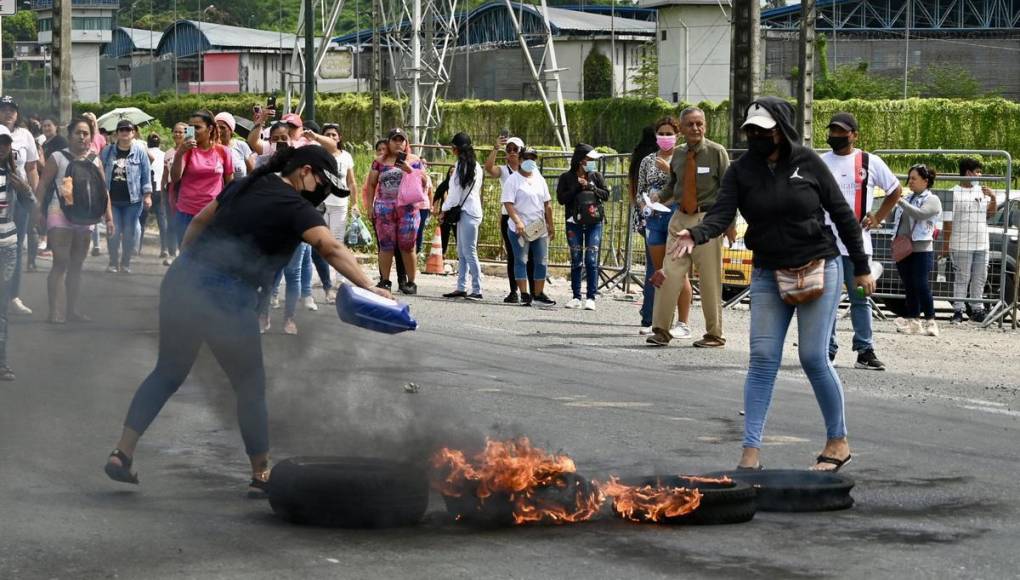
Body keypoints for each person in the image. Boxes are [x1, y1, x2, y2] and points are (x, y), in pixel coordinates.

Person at [103, 145, 388, 497]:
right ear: (305, 171)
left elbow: (199, 222)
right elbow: (330, 248)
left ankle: (122, 452)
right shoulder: (294, 207)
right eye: (322, 184)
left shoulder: (246, 184)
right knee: (250, 386)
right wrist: (370, 286)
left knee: (167, 372)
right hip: (227, 295)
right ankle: (260, 474)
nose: (323, 193)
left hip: (182, 281)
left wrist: (190, 266)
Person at [670, 98, 874, 472]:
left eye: (764, 130)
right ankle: (750, 452)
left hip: (818, 266)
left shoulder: (808, 162)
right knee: (763, 360)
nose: (757, 136)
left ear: (782, 129)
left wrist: (860, 267)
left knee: (814, 357)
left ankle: (838, 441)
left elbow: (843, 215)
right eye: (751, 130)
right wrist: (695, 233)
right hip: (767, 272)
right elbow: (720, 214)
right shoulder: (742, 170)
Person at [820, 112, 903, 370]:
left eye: (841, 131)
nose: (836, 135)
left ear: (854, 134)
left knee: (861, 297)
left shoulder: (869, 161)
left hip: (857, 244)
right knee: (828, 300)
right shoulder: (821, 162)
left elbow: (895, 190)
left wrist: (878, 217)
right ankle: (827, 350)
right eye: (833, 131)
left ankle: (865, 350)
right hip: (828, 243)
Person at [646, 109, 731, 348]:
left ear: (705, 126)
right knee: (668, 273)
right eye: (690, 124)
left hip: (707, 221)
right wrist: (657, 199)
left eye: (699, 124)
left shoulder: (717, 153)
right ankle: (661, 329)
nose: (695, 128)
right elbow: (674, 184)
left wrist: (730, 224)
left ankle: (714, 334)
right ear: (681, 129)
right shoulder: (680, 154)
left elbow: (728, 190)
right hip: (680, 219)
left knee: (709, 280)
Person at [36, 118, 114, 324]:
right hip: (58, 213)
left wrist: (109, 218)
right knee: (60, 262)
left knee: (77, 265)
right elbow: (43, 185)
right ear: (69, 135)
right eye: (78, 132)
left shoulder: (95, 160)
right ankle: (55, 312)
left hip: (85, 217)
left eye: (86, 133)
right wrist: (37, 211)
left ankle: (72, 311)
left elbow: (103, 191)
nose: (82, 137)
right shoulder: (57, 157)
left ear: (91, 136)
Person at [635, 117, 688, 336]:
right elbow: (640, 189)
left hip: (676, 216)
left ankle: (683, 322)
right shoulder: (647, 160)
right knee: (659, 272)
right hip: (654, 218)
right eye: (662, 133)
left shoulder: (683, 157)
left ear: (678, 135)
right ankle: (658, 319)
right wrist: (643, 204)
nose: (665, 137)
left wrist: (669, 170)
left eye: (669, 133)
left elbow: (688, 187)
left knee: (678, 270)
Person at [364, 127, 428, 295]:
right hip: (384, 208)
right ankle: (385, 280)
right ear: (389, 142)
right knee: (386, 246)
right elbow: (371, 184)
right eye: (395, 140)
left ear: (406, 143)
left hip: (407, 209)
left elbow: (424, 182)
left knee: (407, 246)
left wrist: (409, 170)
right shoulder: (379, 161)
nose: (398, 143)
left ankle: (411, 282)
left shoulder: (414, 160)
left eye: (402, 140)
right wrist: (369, 206)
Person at [942, 157, 996, 324]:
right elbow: (947, 222)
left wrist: (993, 197)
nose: (979, 175)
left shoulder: (982, 191)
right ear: (967, 173)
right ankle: (958, 310)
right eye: (977, 172)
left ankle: (977, 309)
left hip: (982, 243)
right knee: (962, 277)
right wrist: (945, 245)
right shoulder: (953, 192)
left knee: (980, 277)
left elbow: (990, 215)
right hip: (961, 243)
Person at [891, 165, 943, 337]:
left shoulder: (933, 199)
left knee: (921, 284)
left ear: (925, 181)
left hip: (922, 248)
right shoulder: (908, 197)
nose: (910, 182)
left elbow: (920, 214)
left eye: (914, 178)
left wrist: (900, 201)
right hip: (904, 247)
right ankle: (913, 320)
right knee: (909, 285)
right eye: (909, 178)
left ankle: (931, 320)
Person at [0, 129, 35, 380]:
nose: (1, 147)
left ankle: (1, 363)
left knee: (1, 307)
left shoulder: (14, 177)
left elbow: (31, 205)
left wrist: (24, 188)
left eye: (5, 144)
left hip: (8, 247)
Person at [170, 110, 234, 247]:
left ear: (210, 128)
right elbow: (175, 178)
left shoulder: (223, 151)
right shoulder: (186, 151)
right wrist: (180, 153)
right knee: (186, 258)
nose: (193, 131)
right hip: (186, 213)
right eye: (190, 127)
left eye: (197, 127)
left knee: (208, 260)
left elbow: (230, 184)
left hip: (212, 213)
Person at [556, 144, 608, 310]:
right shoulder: (566, 177)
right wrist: (578, 187)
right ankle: (576, 296)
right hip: (573, 222)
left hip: (594, 222)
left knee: (591, 259)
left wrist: (591, 186)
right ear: (580, 160)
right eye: (589, 159)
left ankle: (591, 296)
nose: (591, 162)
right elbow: (561, 199)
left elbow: (606, 194)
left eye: (593, 159)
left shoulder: (596, 175)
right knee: (576, 259)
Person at [502, 147, 555, 307]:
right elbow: (508, 203)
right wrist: (517, 221)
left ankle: (538, 293)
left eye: (533, 158)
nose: (529, 161)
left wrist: (550, 224)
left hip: (538, 227)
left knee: (541, 260)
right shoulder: (513, 180)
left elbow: (547, 203)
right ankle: (524, 293)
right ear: (520, 160)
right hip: (520, 228)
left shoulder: (540, 179)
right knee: (521, 260)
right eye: (526, 158)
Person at [1, 96, 39, 316]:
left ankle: (13, 295)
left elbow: (32, 168)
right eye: (4, 109)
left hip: (20, 199)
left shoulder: (25, 135)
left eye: (12, 109)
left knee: (15, 248)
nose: (8, 113)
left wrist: (35, 199)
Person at [485, 135, 535, 303]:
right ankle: (514, 290)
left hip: (528, 216)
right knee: (514, 255)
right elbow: (489, 169)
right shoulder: (504, 170)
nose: (512, 152)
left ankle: (533, 290)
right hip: (509, 216)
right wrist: (496, 148)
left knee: (531, 254)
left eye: (516, 149)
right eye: (509, 149)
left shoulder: (528, 169)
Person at [312, 122, 358, 303]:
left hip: (340, 204)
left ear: (339, 138)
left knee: (338, 241)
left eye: (334, 135)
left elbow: (352, 182)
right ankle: (324, 278)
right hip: (321, 203)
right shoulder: (319, 155)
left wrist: (355, 203)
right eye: (327, 134)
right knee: (321, 242)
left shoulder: (346, 156)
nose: (331, 138)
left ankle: (340, 278)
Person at [100, 120, 152, 274]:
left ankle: (126, 262)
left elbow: (146, 175)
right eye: (121, 129)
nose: (124, 132)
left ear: (133, 133)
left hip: (133, 201)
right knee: (113, 231)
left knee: (129, 232)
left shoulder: (140, 151)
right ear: (116, 133)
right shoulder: (107, 151)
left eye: (128, 129)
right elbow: (99, 172)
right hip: (112, 200)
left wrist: (147, 195)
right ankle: (113, 261)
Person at [440, 132, 484, 300]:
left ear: (456, 149)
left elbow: (454, 194)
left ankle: (477, 289)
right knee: (463, 251)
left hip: (466, 212)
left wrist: (444, 209)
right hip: (471, 211)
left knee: (468, 251)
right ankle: (461, 286)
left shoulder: (460, 166)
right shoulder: (476, 166)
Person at [628, 125, 659, 330]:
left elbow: (633, 189)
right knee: (661, 267)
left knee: (652, 266)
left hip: (641, 215)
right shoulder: (654, 159)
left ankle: (648, 314)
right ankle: (654, 314)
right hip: (658, 214)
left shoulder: (637, 157)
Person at [160, 122, 187, 265]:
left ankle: (183, 251)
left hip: (185, 188)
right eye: (175, 132)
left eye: (181, 132)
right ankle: (172, 253)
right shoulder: (168, 153)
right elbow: (165, 174)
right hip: (171, 189)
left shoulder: (190, 152)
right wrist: (162, 187)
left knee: (182, 220)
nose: (177, 134)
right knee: (171, 221)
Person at [142, 133, 171, 258]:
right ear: (159, 143)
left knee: (141, 220)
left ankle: (135, 247)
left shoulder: (143, 154)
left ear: (148, 142)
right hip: (160, 190)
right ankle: (164, 248)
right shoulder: (164, 155)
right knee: (162, 221)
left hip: (146, 190)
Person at [215, 112, 254, 180]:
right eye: (216, 127)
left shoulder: (241, 146)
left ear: (231, 130)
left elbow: (253, 173)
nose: (219, 131)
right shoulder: (209, 148)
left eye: (222, 128)